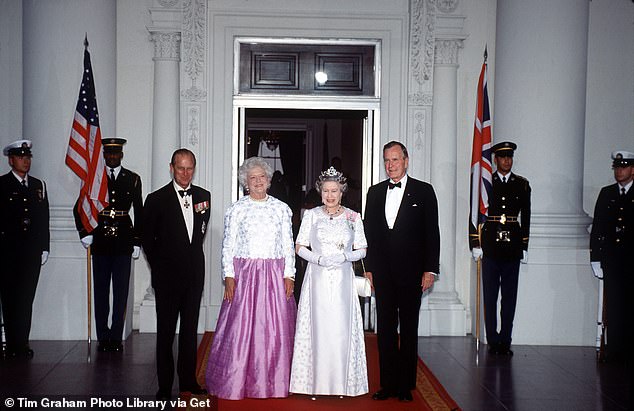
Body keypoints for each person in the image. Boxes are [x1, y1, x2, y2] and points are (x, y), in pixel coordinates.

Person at [206, 156, 296, 400]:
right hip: (244, 275)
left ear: (268, 181)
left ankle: (275, 381)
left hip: (275, 275)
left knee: (275, 329)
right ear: (245, 182)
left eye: (262, 177)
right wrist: (228, 275)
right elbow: (228, 245)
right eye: (252, 178)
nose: (257, 181)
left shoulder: (281, 208)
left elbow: (288, 244)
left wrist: (290, 274)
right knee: (241, 328)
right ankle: (236, 380)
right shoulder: (237, 209)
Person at [363, 141, 439, 402]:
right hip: (382, 273)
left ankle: (406, 384)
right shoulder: (374, 193)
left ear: (406, 161)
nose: (390, 165)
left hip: (412, 273)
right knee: (384, 329)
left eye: (395, 160)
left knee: (408, 328)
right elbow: (369, 234)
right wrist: (369, 268)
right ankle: (387, 384)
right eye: (387, 160)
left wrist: (430, 269)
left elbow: (432, 234)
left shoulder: (424, 191)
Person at [289, 166, 368, 398]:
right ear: (320, 192)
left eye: (334, 191)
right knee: (319, 328)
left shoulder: (354, 217)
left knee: (340, 329)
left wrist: (345, 257)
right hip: (318, 279)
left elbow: (362, 250)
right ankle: (316, 385)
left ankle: (342, 384)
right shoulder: (311, 215)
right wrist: (319, 259)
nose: (330, 196)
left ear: (342, 192)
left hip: (343, 279)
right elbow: (299, 246)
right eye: (326, 191)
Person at [141, 149, 210, 400]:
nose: (185, 173)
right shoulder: (156, 199)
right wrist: (161, 268)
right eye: (180, 168)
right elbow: (147, 239)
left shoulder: (204, 196)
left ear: (194, 167)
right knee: (166, 333)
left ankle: (189, 381)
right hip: (167, 279)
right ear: (171, 167)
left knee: (190, 331)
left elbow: (197, 237)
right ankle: (164, 386)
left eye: (189, 168)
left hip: (194, 277)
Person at [73, 138, 143, 353]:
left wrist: (137, 240)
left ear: (121, 154)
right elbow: (79, 207)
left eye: (116, 153)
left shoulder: (132, 179)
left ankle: (116, 337)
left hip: (123, 239)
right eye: (108, 154)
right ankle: (102, 336)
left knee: (121, 291)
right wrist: (85, 232)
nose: (112, 157)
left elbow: (139, 212)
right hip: (101, 238)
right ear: (103, 155)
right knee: (101, 290)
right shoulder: (95, 179)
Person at [469, 141, 531, 356]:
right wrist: (475, 242)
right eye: (502, 157)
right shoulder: (486, 182)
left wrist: (524, 244)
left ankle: (505, 339)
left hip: (512, 246)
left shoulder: (522, 184)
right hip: (491, 246)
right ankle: (493, 340)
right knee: (490, 295)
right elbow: (474, 214)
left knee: (509, 296)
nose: (506, 161)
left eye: (509, 157)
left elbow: (527, 217)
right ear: (495, 159)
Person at [0, 140, 49, 359]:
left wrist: (44, 246)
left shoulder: (38, 185)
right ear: (11, 160)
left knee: (26, 298)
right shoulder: (2, 185)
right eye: (21, 157)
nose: (25, 161)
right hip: (8, 253)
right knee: (10, 299)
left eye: (28, 157)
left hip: (31, 253)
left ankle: (22, 342)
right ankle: (12, 344)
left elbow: (43, 219)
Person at [589, 150, 633, 363]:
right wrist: (595, 257)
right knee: (614, 306)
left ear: (633, 170)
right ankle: (615, 351)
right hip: (613, 259)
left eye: (623, 167)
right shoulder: (607, 193)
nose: (619, 171)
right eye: (616, 167)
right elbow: (598, 227)